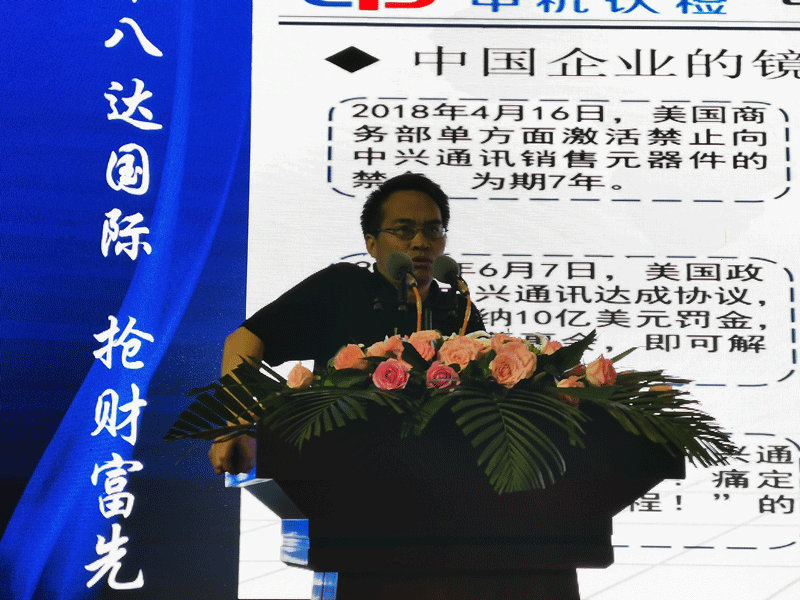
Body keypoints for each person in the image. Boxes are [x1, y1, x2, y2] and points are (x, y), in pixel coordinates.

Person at [209, 173, 484, 475]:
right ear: (371, 243)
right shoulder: (342, 288)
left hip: (441, 477)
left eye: (433, 230)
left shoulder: (458, 309)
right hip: (340, 471)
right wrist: (236, 424)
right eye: (404, 230)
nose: (421, 242)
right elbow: (244, 340)